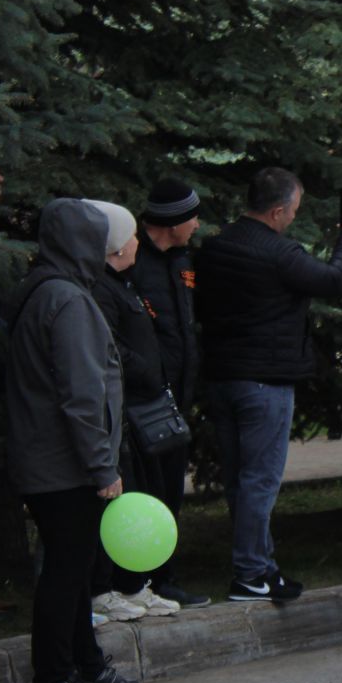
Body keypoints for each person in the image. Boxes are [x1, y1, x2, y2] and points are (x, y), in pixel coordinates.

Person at [195, 166, 342, 603]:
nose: (293, 217)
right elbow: (335, 280)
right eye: (293, 210)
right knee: (260, 481)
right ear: (275, 211)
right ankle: (251, 574)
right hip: (265, 383)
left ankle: (262, 567)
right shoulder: (278, 253)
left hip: (222, 376)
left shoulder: (215, 247)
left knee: (240, 480)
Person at [3, 200, 140, 683]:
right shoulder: (68, 299)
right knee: (67, 570)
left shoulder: (46, 289)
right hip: (64, 465)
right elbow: (83, 394)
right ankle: (55, 680)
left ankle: (85, 664)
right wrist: (102, 467)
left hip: (51, 458)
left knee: (76, 568)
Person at [86, 200, 181, 621]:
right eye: (131, 236)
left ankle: (133, 582)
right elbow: (108, 346)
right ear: (117, 245)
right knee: (119, 499)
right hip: (124, 406)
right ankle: (106, 587)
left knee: (143, 491)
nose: (138, 242)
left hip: (139, 407)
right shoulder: (101, 287)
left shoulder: (124, 281)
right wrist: (143, 368)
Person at [128, 177, 208, 607]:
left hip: (177, 399)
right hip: (141, 403)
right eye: (191, 215)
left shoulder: (183, 259)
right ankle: (137, 580)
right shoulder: (132, 259)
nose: (197, 223)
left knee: (171, 494)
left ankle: (165, 578)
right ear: (173, 220)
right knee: (145, 494)